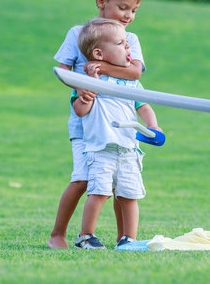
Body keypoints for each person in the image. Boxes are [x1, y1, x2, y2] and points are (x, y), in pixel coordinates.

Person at [49, 0, 146, 249]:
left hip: (117, 122)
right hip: (85, 120)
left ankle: (124, 239)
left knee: (119, 183)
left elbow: (135, 72)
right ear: (102, 1)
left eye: (134, 10)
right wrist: (80, 85)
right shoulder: (77, 33)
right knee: (82, 178)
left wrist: (100, 67)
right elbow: (62, 69)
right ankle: (58, 235)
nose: (128, 15)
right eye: (123, 7)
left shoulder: (131, 39)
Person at [72, 18, 161, 249]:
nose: (128, 47)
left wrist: (154, 126)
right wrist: (88, 89)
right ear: (99, 54)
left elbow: (144, 106)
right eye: (121, 43)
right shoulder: (88, 81)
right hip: (101, 149)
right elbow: (81, 110)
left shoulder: (131, 84)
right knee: (99, 192)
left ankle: (127, 239)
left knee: (129, 195)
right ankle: (85, 236)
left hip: (129, 149)